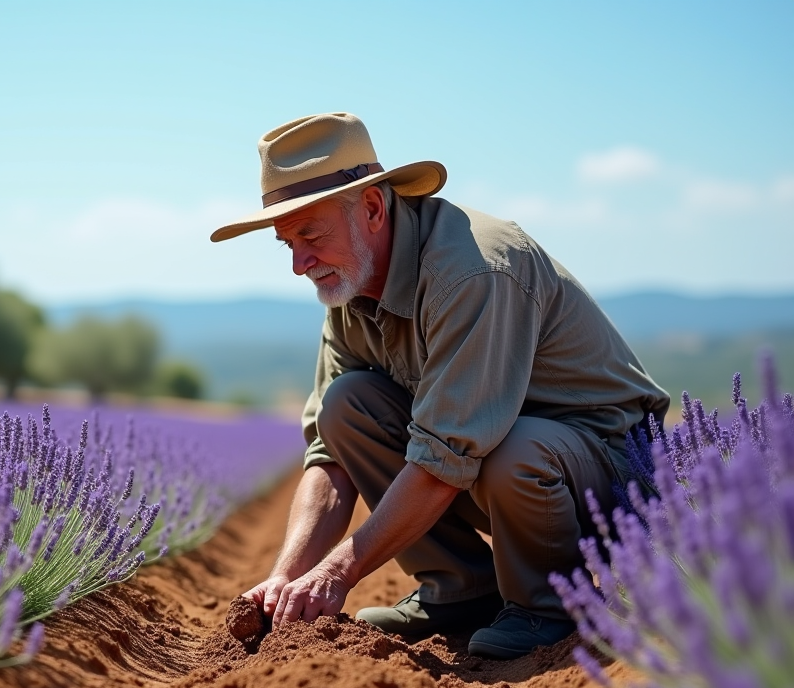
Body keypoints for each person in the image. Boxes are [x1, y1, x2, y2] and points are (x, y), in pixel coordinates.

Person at [211, 112, 670, 659]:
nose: (298, 264)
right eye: (287, 243)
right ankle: (461, 590)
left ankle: (547, 606)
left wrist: (342, 570)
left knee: (514, 448)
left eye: (310, 234)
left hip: (608, 469)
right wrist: (284, 578)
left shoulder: (475, 270)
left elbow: (446, 454)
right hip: (500, 464)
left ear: (375, 209)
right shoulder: (350, 287)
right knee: (345, 405)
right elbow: (330, 455)